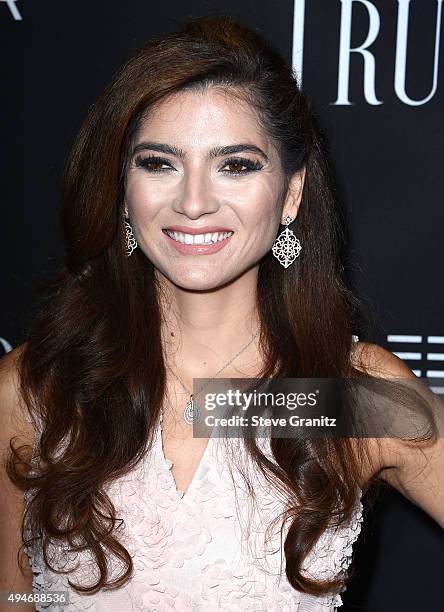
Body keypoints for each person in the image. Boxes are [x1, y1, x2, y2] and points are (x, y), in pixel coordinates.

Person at [0, 15, 443, 612]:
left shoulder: (346, 392)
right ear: (122, 191)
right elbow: (14, 596)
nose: (194, 202)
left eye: (235, 165)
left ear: (289, 195)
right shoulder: (36, 387)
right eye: (159, 163)